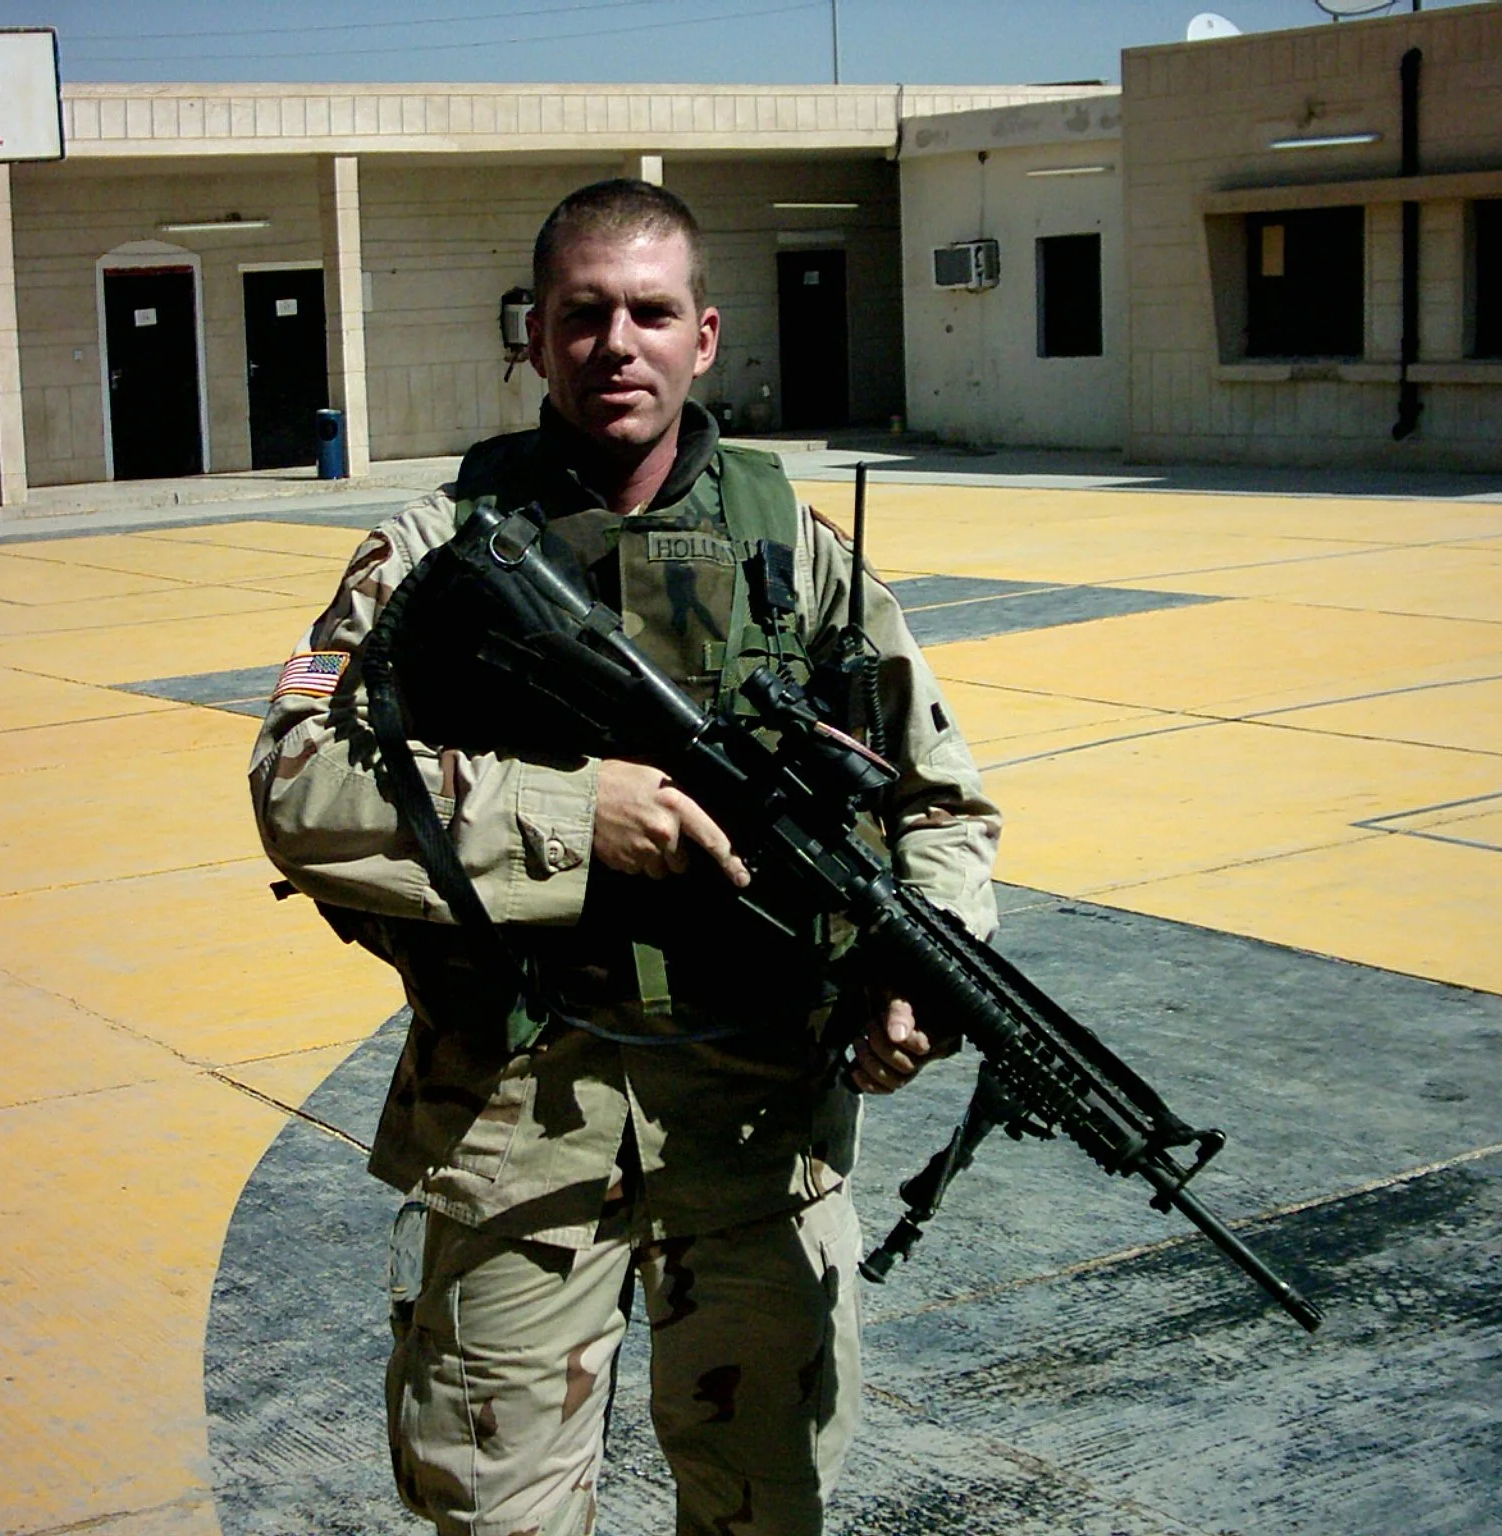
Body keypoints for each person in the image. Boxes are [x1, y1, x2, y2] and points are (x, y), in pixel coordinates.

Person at [250, 179, 1000, 1536]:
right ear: (533, 337)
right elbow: (298, 785)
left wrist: (921, 980)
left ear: (704, 337)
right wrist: (569, 816)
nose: (617, 343)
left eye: (651, 313)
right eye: (582, 314)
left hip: (762, 1130)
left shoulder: (800, 556)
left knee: (766, 1505)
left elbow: (943, 811)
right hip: (517, 1120)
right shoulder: (431, 552)